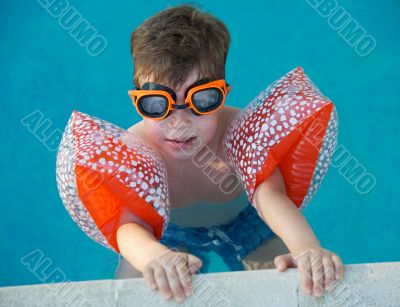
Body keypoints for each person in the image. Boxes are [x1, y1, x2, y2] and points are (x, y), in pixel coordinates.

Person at [115, 4, 344, 304]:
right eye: (157, 104)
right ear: (136, 101)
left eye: (203, 99)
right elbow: (129, 225)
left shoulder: (240, 134)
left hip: (245, 223)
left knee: (294, 286)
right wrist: (155, 255)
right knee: (131, 291)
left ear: (223, 94)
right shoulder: (137, 149)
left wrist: (306, 248)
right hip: (172, 232)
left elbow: (269, 194)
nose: (179, 122)